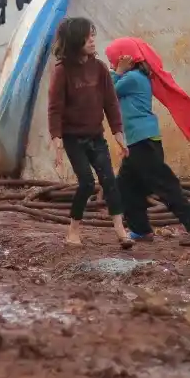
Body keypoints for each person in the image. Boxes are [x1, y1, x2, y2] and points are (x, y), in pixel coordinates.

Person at [111, 52, 190, 246]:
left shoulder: (132, 78)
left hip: (143, 142)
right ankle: (141, 230)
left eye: (113, 59)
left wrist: (117, 72)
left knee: (164, 185)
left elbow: (108, 92)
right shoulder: (136, 77)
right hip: (137, 142)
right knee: (126, 186)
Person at [47, 17, 130, 248]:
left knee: (110, 181)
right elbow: (55, 108)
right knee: (86, 183)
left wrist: (118, 134)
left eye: (93, 35)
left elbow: (111, 103)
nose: (93, 40)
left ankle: (121, 231)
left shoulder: (100, 68)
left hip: (96, 136)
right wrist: (57, 140)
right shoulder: (62, 72)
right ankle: (73, 231)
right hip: (74, 139)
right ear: (75, 41)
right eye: (88, 36)